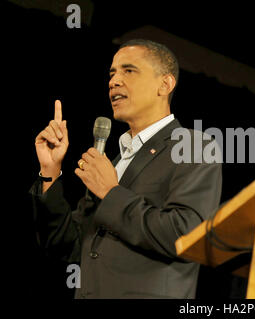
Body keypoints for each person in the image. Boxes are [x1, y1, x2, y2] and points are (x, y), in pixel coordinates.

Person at [30, 39, 222, 299]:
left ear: (164, 84)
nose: (114, 81)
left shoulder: (193, 146)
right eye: (112, 73)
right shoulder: (113, 160)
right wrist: (49, 172)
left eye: (128, 71)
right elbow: (69, 246)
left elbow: (185, 235)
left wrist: (111, 193)